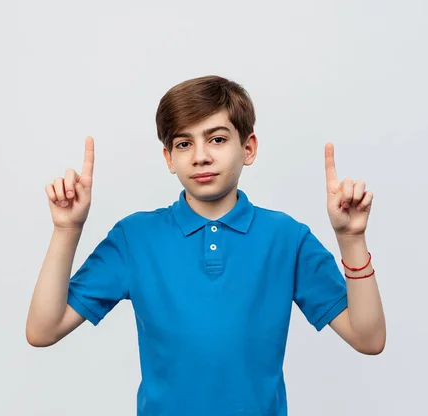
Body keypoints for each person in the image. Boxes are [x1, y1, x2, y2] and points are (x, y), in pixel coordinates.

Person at [25, 75, 386, 415]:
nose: (201, 156)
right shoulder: (134, 237)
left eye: (217, 139)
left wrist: (351, 239)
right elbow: (43, 330)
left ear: (248, 147)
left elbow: (368, 338)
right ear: (169, 158)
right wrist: (67, 229)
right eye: (184, 143)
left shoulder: (286, 238)